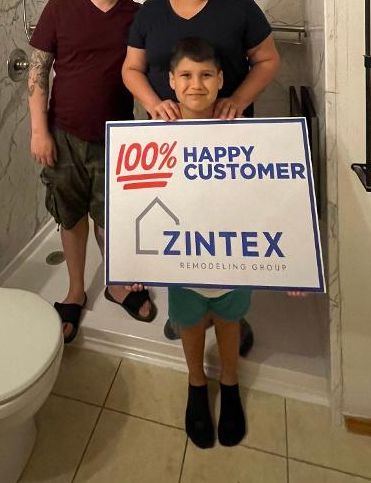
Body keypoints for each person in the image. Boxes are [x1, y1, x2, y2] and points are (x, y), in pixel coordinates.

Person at [121, 0, 280, 347]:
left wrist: (238, 99)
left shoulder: (237, 5)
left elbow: (267, 59)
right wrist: (154, 103)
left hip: (228, 141)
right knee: (178, 221)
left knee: (227, 225)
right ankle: (187, 310)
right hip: (168, 142)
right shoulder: (150, 12)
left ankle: (232, 313)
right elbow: (131, 69)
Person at [28, 0, 156, 342]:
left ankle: (117, 284)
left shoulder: (137, 15)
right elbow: (38, 71)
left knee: (112, 216)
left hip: (118, 138)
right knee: (70, 215)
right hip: (63, 134)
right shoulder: (59, 8)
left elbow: (148, 72)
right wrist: (39, 130)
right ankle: (75, 290)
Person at [164, 37, 251, 448]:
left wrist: (296, 264)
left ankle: (230, 383)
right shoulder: (155, 136)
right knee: (190, 325)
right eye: (185, 75)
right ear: (171, 81)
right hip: (182, 263)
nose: (195, 84)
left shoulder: (243, 133)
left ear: (220, 80)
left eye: (204, 75)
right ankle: (196, 384)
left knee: (230, 323)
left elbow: (270, 200)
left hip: (233, 260)